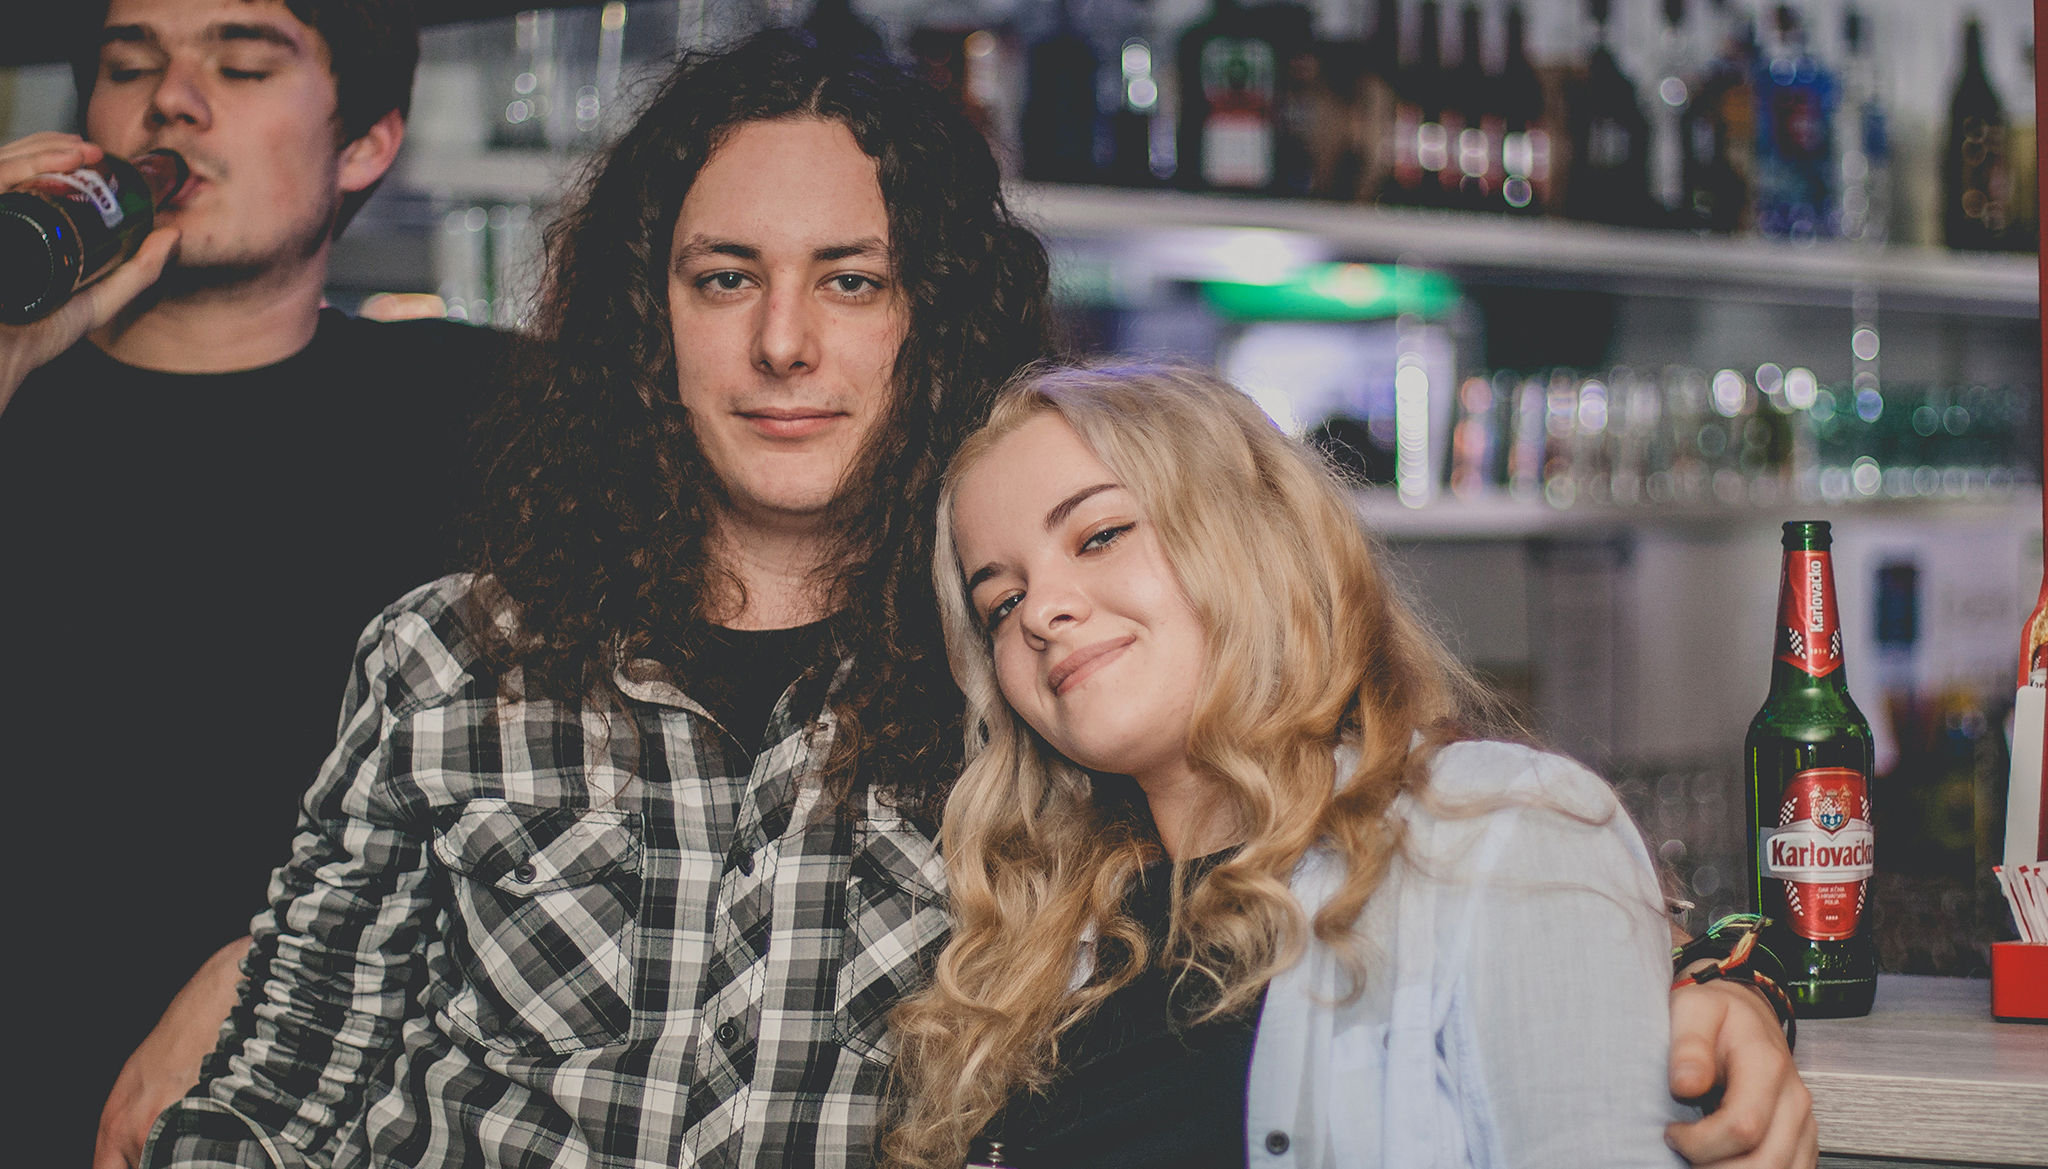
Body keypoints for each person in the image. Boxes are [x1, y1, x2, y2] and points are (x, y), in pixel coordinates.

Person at [141, 30, 1805, 1169]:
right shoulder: (448, 659)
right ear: (651, 320)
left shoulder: (1029, 699)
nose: (783, 342)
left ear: (925, 317)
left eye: (850, 281)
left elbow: (1377, 847)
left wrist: (1722, 970)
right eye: (724, 279)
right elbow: (266, 1110)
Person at [890, 363, 1817, 1169]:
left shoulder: (1498, 835)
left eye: (1099, 535)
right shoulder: (1046, 939)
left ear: (1255, 536)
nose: (1041, 610)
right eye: (1001, 601)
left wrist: (1739, 969)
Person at [0, 2, 506, 1163]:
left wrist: (285, 962)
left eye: (238, 64)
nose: (169, 100)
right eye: (130, 63)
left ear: (365, 143)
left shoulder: (490, 417)